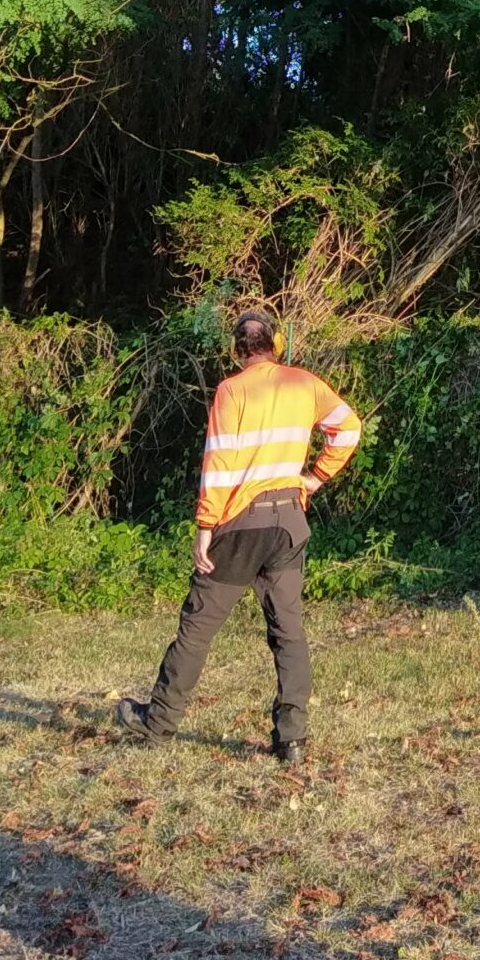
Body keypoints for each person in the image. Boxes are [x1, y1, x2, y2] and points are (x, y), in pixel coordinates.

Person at [117, 309, 361, 765]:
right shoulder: (305, 383)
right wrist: (316, 478)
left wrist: (206, 528)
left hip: (239, 525)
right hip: (289, 521)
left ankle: (159, 723)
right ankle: (292, 739)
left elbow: (219, 464)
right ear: (278, 343)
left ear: (237, 350)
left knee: (197, 629)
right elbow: (349, 429)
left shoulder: (230, 391)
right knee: (288, 632)